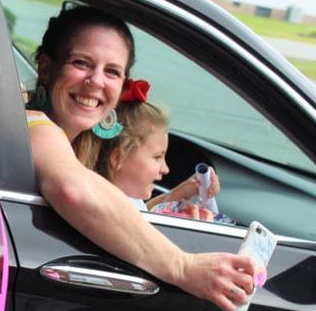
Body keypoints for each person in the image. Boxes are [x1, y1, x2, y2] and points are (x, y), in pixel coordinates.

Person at [25, 5, 257, 311]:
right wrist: (184, 267)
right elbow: (74, 190)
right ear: (45, 67)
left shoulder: (74, 144)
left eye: (112, 72)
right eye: (81, 63)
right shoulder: (34, 125)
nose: (95, 81)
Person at [84, 78, 223, 221]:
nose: (166, 169)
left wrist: (185, 189)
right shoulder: (113, 213)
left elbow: (145, 212)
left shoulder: (124, 199)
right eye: (157, 157)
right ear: (118, 157)